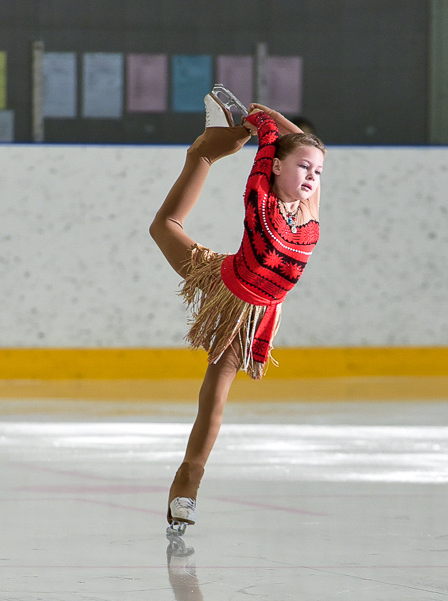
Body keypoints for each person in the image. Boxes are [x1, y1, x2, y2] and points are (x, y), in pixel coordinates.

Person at [149, 85, 326, 536]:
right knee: (164, 227)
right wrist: (259, 124)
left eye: (317, 171)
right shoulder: (260, 194)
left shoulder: (309, 204)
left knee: (218, 392)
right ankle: (202, 156)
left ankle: (188, 483)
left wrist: (264, 115)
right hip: (227, 287)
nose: (311, 176)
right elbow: (273, 145)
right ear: (277, 166)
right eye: (301, 167)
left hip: (260, 309)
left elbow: (297, 145)